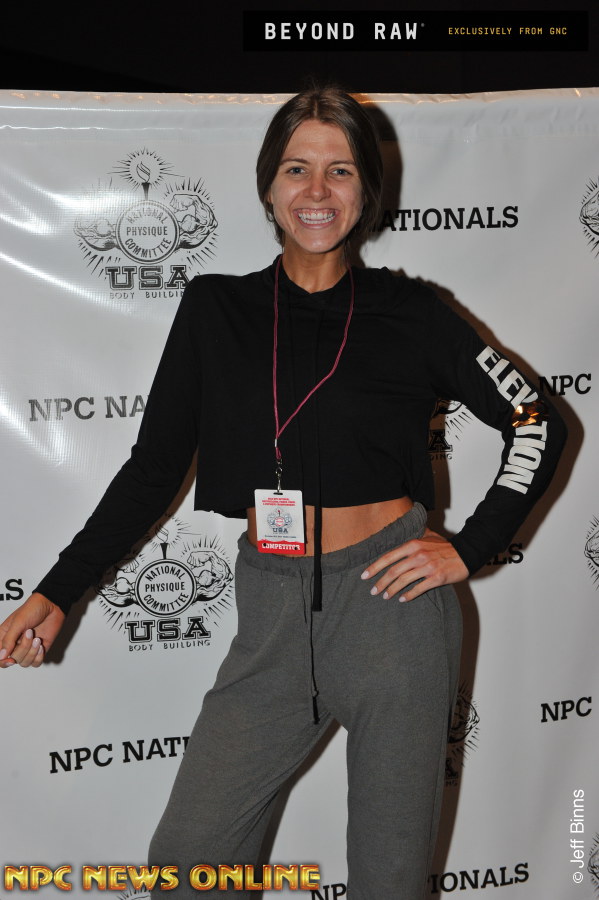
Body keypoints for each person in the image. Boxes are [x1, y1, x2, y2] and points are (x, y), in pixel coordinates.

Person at [0, 86, 566, 898]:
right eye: (297, 169)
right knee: (190, 863)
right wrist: (60, 590)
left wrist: (469, 548)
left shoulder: (411, 312)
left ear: (366, 191)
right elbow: (153, 469)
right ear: (267, 186)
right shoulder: (214, 309)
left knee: (388, 878)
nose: (316, 190)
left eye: (340, 171)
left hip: (393, 613)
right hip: (269, 609)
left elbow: (536, 420)